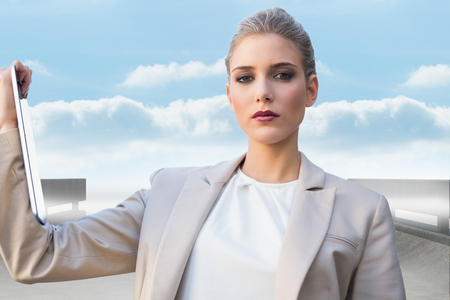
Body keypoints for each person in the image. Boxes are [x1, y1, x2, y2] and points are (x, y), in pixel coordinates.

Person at [0, 7, 405, 300]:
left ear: (311, 89)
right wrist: (8, 127)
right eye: (245, 78)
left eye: (282, 74)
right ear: (231, 95)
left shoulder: (361, 212)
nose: (263, 91)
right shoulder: (169, 193)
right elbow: (35, 256)